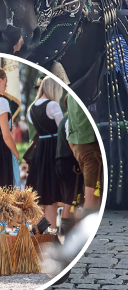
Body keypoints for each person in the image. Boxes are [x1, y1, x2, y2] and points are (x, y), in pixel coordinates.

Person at [26, 77, 65, 222]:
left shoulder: (31, 108)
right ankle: (51, 230)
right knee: (51, 192)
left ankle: (38, 230)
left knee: (40, 191)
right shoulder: (53, 105)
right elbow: (62, 129)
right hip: (53, 148)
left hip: (40, 149)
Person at [67, 92, 102, 216]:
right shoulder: (85, 89)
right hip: (89, 144)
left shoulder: (70, 93)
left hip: (78, 145)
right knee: (92, 196)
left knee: (91, 194)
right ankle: (90, 233)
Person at [56, 97, 84, 237]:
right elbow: (71, 142)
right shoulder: (69, 119)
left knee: (69, 200)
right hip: (70, 164)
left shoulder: (63, 120)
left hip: (62, 162)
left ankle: (67, 234)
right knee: (72, 200)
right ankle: (69, 237)